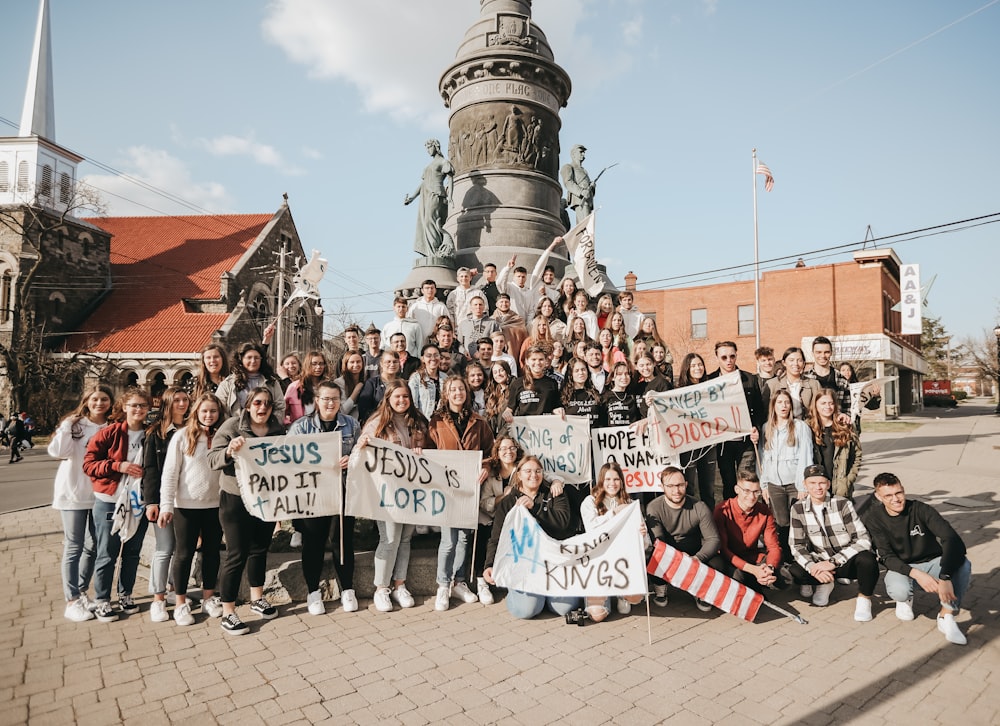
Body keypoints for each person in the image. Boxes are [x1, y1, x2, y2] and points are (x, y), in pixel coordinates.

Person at [208, 386, 286, 635]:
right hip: (235, 499)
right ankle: (228, 611)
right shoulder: (231, 426)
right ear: (248, 405)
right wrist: (230, 450)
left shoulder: (277, 430)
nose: (262, 408)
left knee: (259, 549)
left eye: (267, 404)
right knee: (236, 554)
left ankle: (257, 598)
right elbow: (212, 459)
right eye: (257, 403)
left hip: (265, 498)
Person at [863, 472, 972, 645]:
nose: (896, 499)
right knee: (899, 591)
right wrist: (917, 574)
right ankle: (906, 597)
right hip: (902, 567)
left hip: (932, 562)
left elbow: (953, 541)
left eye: (898, 493)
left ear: (903, 490)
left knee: (964, 565)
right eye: (888, 495)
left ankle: (946, 615)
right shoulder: (873, 518)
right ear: (878, 496)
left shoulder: (921, 509)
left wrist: (945, 576)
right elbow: (886, 557)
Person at [287, 382, 360, 615]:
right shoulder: (301, 427)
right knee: (313, 542)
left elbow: (362, 454)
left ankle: (347, 588)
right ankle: (313, 592)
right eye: (326, 398)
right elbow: (288, 461)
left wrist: (353, 460)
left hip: (342, 492)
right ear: (316, 400)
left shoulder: (351, 424)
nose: (331, 403)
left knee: (342, 541)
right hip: (312, 496)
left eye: (335, 399)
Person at [83, 388, 154, 622]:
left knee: (132, 552)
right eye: (134, 405)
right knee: (107, 553)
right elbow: (89, 464)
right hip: (110, 501)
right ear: (124, 407)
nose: (138, 409)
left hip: (137, 501)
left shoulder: (150, 435)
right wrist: (117, 466)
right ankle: (102, 599)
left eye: (143, 406)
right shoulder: (110, 433)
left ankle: (126, 594)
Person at [359, 380, 429, 613]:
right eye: (397, 397)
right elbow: (362, 451)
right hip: (387, 492)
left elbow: (430, 453)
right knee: (389, 539)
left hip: (412, 491)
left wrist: (421, 452)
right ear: (388, 398)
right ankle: (381, 588)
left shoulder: (418, 422)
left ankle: (400, 584)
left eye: (405, 397)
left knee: (406, 538)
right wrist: (363, 445)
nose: (401, 401)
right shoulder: (377, 422)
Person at [156, 393, 226, 626]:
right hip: (186, 506)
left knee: (211, 552)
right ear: (196, 411)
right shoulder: (182, 436)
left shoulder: (222, 436)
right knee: (184, 554)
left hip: (215, 504)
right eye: (204, 411)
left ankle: (208, 596)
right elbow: (170, 473)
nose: (209, 415)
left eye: (213, 411)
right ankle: (180, 602)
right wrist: (166, 505)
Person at [427, 376, 495, 611]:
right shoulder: (435, 422)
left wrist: (485, 467)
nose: (457, 393)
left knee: (465, 538)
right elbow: (427, 451)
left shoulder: (479, 421)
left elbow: (490, 451)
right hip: (446, 490)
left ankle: (459, 581)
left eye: (461, 389)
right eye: (452, 389)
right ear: (446, 394)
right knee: (449, 540)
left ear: (467, 393)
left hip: (469, 488)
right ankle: (443, 584)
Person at [483, 456, 579, 619]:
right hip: (524, 564)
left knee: (564, 608)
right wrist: (490, 564)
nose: (533, 475)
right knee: (528, 610)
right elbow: (497, 537)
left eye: (538, 471)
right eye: (528, 471)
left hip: (553, 563)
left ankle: (547, 594)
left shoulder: (556, 494)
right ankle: (520, 593)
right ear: (519, 474)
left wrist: (535, 508)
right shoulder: (508, 502)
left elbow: (562, 525)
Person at [49, 385, 113, 622]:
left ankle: (82, 591)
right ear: (86, 401)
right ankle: (71, 599)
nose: (99, 403)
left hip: (99, 494)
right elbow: (57, 451)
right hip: (73, 491)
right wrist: (66, 426)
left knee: (95, 545)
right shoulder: (75, 426)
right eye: (95, 399)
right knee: (74, 546)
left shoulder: (111, 426)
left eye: (104, 399)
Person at [787, 465, 877, 620]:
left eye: (822, 483)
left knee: (868, 560)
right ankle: (824, 583)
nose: (818, 487)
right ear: (805, 484)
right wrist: (813, 567)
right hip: (819, 561)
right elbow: (796, 545)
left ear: (828, 484)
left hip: (844, 560)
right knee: (795, 571)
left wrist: (833, 562)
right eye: (812, 483)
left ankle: (864, 599)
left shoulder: (842, 504)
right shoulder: (798, 508)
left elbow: (863, 539)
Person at [142, 386, 191, 623]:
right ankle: (157, 599)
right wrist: (152, 501)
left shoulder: (194, 430)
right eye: (177, 400)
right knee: (164, 548)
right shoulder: (156, 433)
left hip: (188, 500)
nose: (182, 404)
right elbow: (150, 470)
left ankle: (173, 590)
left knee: (182, 548)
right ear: (168, 404)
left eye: (185, 400)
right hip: (164, 498)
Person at [645, 466, 723, 610]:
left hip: (694, 552)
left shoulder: (699, 506)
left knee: (718, 563)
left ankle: (700, 590)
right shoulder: (653, 507)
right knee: (654, 557)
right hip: (668, 552)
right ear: (662, 487)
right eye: (670, 486)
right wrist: (678, 557)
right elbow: (658, 541)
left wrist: (696, 558)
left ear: (686, 484)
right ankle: (660, 587)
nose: (676, 490)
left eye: (680, 485)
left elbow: (713, 539)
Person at [579, 463, 646, 621]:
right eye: (608, 479)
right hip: (598, 562)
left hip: (622, 561)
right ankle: (603, 594)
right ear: (601, 481)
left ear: (622, 482)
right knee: (597, 615)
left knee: (636, 599)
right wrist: (614, 513)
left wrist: (642, 536)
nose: (612, 483)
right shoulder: (589, 501)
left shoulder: (630, 503)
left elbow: (645, 545)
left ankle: (621, 593)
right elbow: (592, 530)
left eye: (616, 479)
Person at [755, 389, 813, 563]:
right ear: (773, 405)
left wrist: (803, 485)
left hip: (795, 484)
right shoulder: (767, 428)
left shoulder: (800, 427)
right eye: (779, 402)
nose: (784, 406)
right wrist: (764, 484)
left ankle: (802, 559)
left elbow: (806, 455)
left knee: (798, 523)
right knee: (781, 523)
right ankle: (786, 560)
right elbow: (763, 458)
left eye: (787, 402)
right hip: (774, 483)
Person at [706, 341, 764, 501]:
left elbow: (759, 409)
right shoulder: (709, 380)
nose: (728, 360)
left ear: (736, 355)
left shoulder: (749, 379)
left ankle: (747, 517)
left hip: (745, 440)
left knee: (747, 481)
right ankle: (731, 520)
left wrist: (756, 428)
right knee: (729, 482)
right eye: (724, 357)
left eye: (732, 356)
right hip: (722, 442)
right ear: (717, 357)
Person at [713, 470, 781, 593]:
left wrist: (769, 568)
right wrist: (753, 570)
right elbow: (724, 550)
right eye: (747, 491)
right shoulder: (722, 510)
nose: (752, 496)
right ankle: (753, 585)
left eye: (756, 492)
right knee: (739, 577)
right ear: (737, 489)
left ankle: (759, 581)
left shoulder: (764, 511)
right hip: (731, 559)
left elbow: (773, 546)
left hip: (753, 556)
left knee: (783, 577)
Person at [477, 436, 523, 604]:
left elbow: (545, 476)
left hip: (517, 520)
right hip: (494, 518)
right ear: (497, 452)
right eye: (503, 448)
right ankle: (482, 581)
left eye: (511, 448)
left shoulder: (522, 470)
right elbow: (484, 503)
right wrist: (502, 497)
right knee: (484, 532)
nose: (508, 451)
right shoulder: (492, 475)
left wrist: (556, 481)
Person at [675, 353, 718, 507]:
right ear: (686, 368)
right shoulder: (678, 391)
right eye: (693, 365)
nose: (697, 368)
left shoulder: (711, 389)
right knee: (689, 486)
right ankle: (689, 522)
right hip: (688, 444)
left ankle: (710, 523)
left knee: (708, 487)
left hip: (708, 443)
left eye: (700, 364)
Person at [405, 138, 455, 258]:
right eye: (426, 148)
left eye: (429, 147)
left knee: (430, 221)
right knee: (426, 222)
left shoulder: (443, 162)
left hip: (437, 194)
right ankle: (431, 251)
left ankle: (435, 250)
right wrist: (412, 197)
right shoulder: (429, 166)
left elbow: (450, 178)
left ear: (436, 146)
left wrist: (450, 197)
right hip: (426, 195)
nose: (428, 150)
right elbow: (423, 184)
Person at [808, 389, 861, 499]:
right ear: (815, 405)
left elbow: (857, 455)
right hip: (816, 485)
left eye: (831, 403)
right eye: (823, 403)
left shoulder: (845, 426)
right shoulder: (807, 427)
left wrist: (850, 478)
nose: (827, 406)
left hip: (840, 485)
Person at [215, 343, 285, 420]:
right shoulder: (228, 383)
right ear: (241, 359)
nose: (253, 361)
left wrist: (270, 425)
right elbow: (219, 407)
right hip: (235, 427)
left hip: (266, 428)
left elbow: (280, 407)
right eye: (249, 357)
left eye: (256, 358)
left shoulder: (271, 382)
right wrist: (231, 426)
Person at [504, 344, 561, 421]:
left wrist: (558, 411)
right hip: (525, 429)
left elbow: (555, 407)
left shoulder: (552, 383)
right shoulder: (517, 383)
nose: (537, 363)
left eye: (541, 359)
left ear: (545, 361)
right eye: (533, 359)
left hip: (546, 428)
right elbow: (510, 408)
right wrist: (507, 413)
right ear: (527, 361)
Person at [762, 347, 822, 419]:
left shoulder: (814, 384)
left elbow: (820, 410)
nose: (795, 364)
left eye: (799, 360)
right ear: (784, 363)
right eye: (791, 360)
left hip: (806, 427)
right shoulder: (771, 384)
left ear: (803, 363)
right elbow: (764, 411)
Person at [805, 336, 851, 413]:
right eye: (818, 352)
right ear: (812, 353)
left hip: (835, 422)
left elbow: (847, 409)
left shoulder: (841, 380)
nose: (823, 356)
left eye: (826, 352)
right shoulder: (805, 378)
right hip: (811, 423)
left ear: (831, 353)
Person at [284, 350, 330, 424]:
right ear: (307, 365)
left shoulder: (328, 387)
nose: (318, 367)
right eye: (314, 364)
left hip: (323, 429)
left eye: (321, 364)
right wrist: (289, 425)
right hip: (301, 430)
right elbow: (282, 411)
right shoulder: (294, 387)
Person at [358, 350, 403, 423]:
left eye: (395, 362)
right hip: (377, 424)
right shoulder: (371, 383)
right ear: (381, 364)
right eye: (388, 362)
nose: (392, 364)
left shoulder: (402, 384)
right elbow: (364, 409)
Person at [409, 343, 447, 420]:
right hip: (423, 422)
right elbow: (413, 405)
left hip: (442, 422)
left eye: (436, 355)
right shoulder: (416, 378)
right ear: (422, 359)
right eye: (429, 356)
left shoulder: (445, 377)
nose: (433, 358)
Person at [561, 144, 594, 225]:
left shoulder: (584, 171)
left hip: (587, 200)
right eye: (581, 152)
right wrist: (581, 192)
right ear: (573, 154)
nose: (583, 154)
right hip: (580, 200)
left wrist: (592, 187)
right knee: (584, 226)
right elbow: (568, 183)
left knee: (587, 225)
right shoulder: (568, 167)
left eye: (584, 152)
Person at [602, 362, 641, 427]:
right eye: (619, 374)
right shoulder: (605, 397)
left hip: (632, 435)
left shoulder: (633, 396)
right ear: (612, 378)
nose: (624, 377)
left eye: (627, 374)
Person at [491, 293, 528, 357]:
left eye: (506, 302)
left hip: (513, 349)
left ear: (510, 304)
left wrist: (507, 330)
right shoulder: (491, 320)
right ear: (496, 304)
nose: (504, 304)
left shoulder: (517, 318)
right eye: (501, 302)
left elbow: (522, 332)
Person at [485, 361, 514, 436]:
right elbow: (487, 417)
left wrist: (499, 438)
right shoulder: (493, 393)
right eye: (495, 372)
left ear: (507, 371)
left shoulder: (514, 389)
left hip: (509, 436)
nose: (498, 374)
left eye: (501, 370)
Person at [334, 351, 365, 419]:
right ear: (346, 364)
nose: (356, 365)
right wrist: (356, 392)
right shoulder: (339, 383)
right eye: (352, 362)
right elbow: (342, 411)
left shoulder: (367, 382)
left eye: (358, 361)